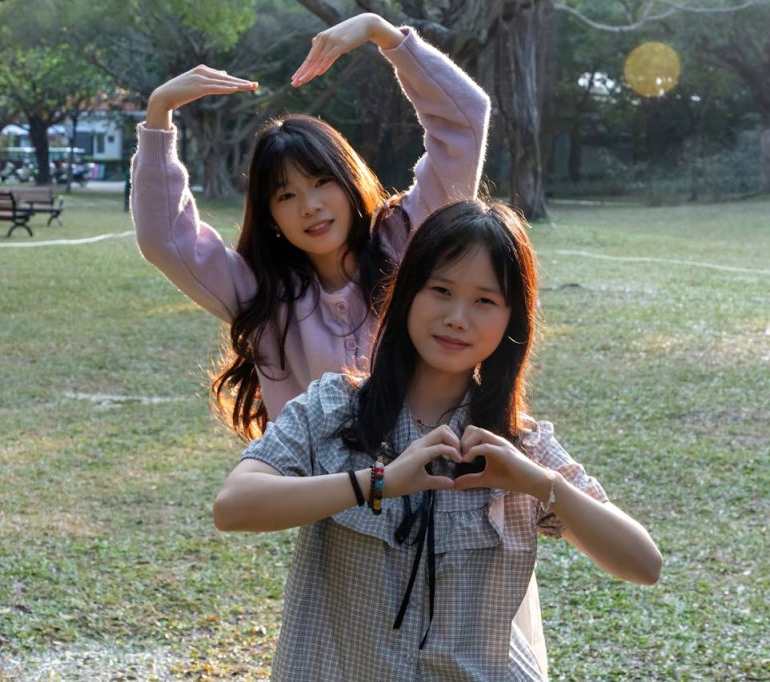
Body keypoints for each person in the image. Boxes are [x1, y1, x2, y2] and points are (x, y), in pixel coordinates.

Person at [213, 199, 663, 680]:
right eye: (441, 290)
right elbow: (234, 506)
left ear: (512, 321)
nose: (457, 317)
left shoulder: (517, 446)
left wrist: (538, 482)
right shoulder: (334, 409)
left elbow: (643, 563)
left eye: (485, 301)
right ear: (407, 294)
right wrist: (379, 481)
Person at [130, 12, 490, 440]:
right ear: (271, 217)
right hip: (320, 499)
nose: (310, 207)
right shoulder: (259, 293)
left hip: (427, 482)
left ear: (350, 180)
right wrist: (158, 115)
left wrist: (385, 35)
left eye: (322, 182)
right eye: (286, 195)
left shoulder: (408, 237)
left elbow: (465, 122)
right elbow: (164, 240)